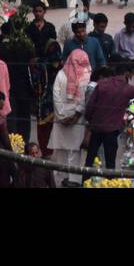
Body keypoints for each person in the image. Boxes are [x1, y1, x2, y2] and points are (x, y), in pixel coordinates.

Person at [49, 48, 90, 186]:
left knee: (63, 152)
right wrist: (74, 117)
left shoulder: (61, 74)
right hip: (76, 121)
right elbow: (84, 99)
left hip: (65, 119)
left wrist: (61, 116)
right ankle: (72, 181)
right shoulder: (86, 74)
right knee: (72, 153)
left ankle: (64, 181)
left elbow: (56, 97)